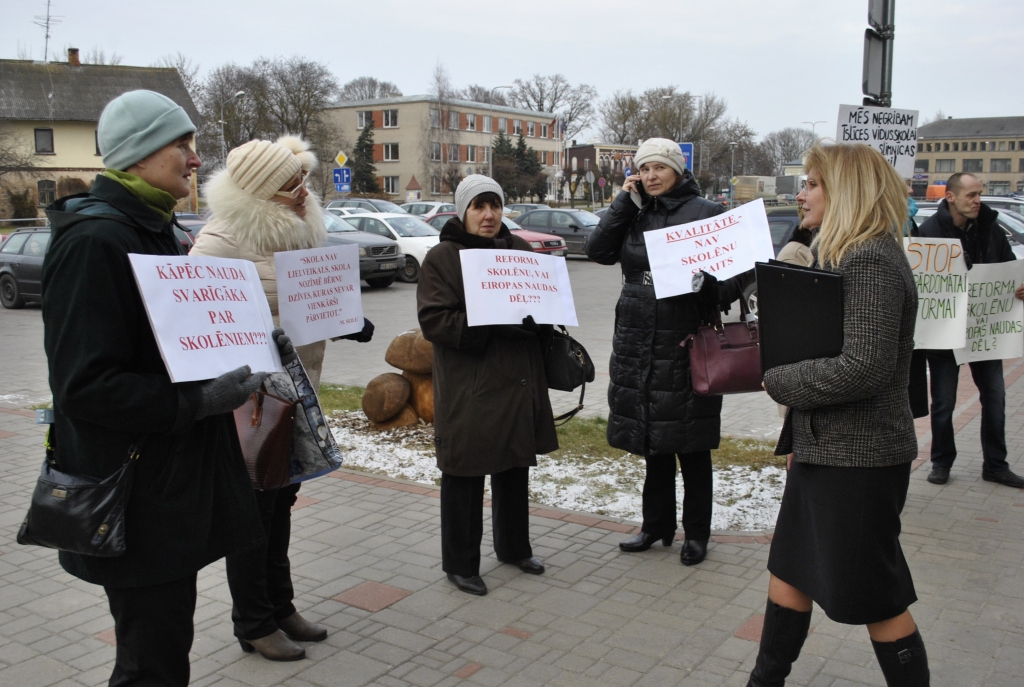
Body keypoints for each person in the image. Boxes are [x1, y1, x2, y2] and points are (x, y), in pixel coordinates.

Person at [41, 90, 281, 685]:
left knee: (167, 645)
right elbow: (84, 386)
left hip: (167, 486)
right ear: (139, 154)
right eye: (183, 145)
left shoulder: (154, 230)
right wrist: (196, 402)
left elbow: (170, 344)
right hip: (134, 492)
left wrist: (246, 340)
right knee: (151, 662)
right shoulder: (94, 243)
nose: (197, 160)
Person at [750, 144, 929, 686]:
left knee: (874, 596)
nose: (800, 194)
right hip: (826, 451)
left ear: (845, 190)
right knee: (789, 573)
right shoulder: (842, 253)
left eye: (812, 183)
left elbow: (865, 367)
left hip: (861, 461)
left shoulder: (871, 257)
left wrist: (778, 381)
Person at [190, 135, 374, 661]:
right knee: (253, 511)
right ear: (261, 188)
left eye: (303, 179)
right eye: (290, 183)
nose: (302, 190)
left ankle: (280, 604)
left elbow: (305, 302)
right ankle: (254, 622)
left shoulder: (295, 232)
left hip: (298, 391)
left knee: (282, 503)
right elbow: (200, 325)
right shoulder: (221, 241)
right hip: (252, 402)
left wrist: (345, 320)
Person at [585, 138, 749, 566]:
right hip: (638, 335)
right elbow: (597, 250)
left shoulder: (708, 213)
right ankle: (655, 525)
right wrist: (624, 199)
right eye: (645, 169)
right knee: (651, 440)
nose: (652, 176)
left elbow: (740, 276)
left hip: (684, 338)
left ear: (678, 169)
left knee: (691, 445)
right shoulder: (637, 211)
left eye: (660, 167)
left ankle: (696, 534)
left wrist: (712, 286)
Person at [417, 175, 557, 596]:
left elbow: (543, 302)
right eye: (479, 206)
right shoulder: (443, 257)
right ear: (463, 211)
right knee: (465, 471)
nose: (489, 215)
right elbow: (435, 321)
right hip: (470, 383)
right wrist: (490, 322)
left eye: (495, 205)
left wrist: (542, 317)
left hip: (517, 378)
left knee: (514, 465)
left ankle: (514, 548)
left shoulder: (518, 249)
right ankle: (460, 563)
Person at [914, 172, 1024, 488]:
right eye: (971, 195)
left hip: (984, 332)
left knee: (996, 397)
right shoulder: (930, 232)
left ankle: (996, 465)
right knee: (944, 404)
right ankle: (941, 463)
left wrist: (1018, 288)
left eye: (980, 194)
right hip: (945, 334)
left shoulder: (991, 229)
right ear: (951, 197)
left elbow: (1008, 267)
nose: (978, 201)